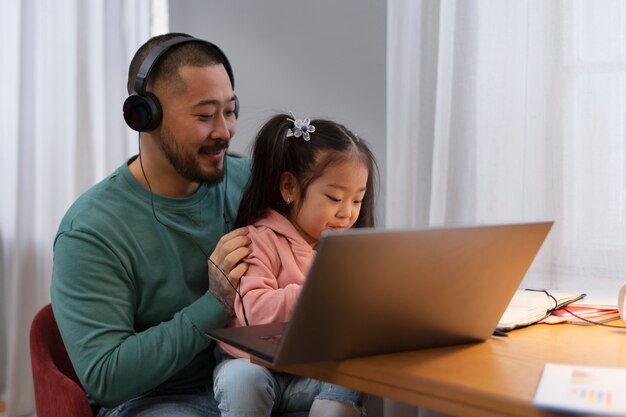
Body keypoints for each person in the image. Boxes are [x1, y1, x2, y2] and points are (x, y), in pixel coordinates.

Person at [50, 33, 253, 417]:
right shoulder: (91, 230)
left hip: (250, 379)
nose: (224, 131)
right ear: (143, 117)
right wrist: (215, 302)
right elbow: (107, 378)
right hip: (153, 399)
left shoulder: (251, 182)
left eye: (230, 111)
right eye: (205, 115)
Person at [212, 112, 379, 417]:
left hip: (308, 378)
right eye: (334, 198)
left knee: (359, 367)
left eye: (357, 201)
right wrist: (319, 295)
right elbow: (256, 313)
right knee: (243, 380)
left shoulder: (347, 252)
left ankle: (333, 409)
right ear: (289, 187)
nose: (347, 213)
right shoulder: (258, 239)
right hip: (253, 368)